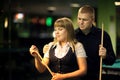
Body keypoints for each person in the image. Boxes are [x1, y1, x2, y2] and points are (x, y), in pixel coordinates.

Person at [75, 5, 116, 80]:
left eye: (84, 20)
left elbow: (112, 60)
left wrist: (105, 56)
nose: (81, 22)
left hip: (95, 77)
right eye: (79, 18)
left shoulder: (102, 35)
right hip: (75, 77)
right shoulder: (73, 35)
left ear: (92, 19)